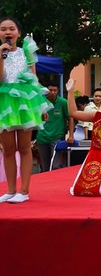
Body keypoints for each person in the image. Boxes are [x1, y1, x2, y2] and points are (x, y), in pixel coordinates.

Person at [0, 17, 52, 203]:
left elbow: (34, 79)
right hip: (5, 102)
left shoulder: (27, 52)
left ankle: (24, 190)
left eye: (11, 28)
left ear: (18, 33)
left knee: (24, 147)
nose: (7, 32)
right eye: (3, 29)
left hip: (25, 101)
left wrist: (41, 106)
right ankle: (10, 190)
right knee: (8, 149)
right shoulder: (0, 52)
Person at [36, 82, 74, 171]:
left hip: (57, 137)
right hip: (42, 138)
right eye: (50, 90)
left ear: (58, 91)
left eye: (55, 90)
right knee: (45, 168)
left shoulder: (63, 102)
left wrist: (71, 135)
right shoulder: (40, 102)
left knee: (55, 166)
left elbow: (71, 118)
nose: (52, 92)